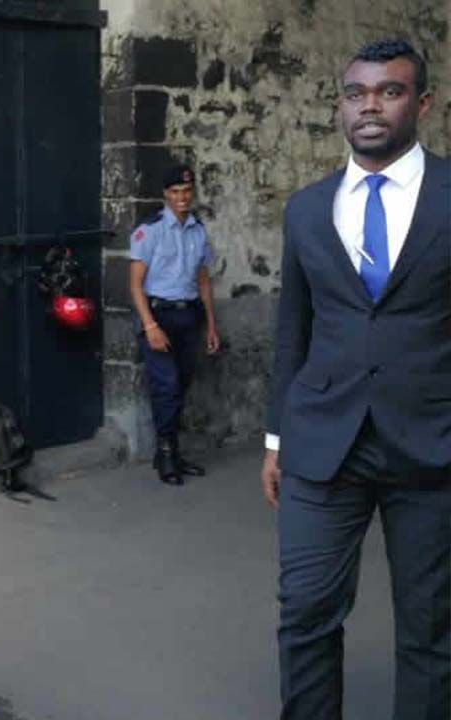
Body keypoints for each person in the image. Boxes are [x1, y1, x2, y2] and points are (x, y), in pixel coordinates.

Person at [264, 39, 449, 719]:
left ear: (421, 104)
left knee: (431, 630)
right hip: (322, 442)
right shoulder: (308, 209)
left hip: (433, 444)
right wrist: (277, 438)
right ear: (341, 106)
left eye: (389, 91)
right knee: (305, 611)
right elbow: (294, 327)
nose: (370, 106)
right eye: (356, 93)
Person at [127, 164, 221, 484]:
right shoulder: (150, 230)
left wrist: (211, 325)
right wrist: (150, 326)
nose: (182, 198)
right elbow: (135, 285)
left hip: (189, 316)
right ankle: (166, 453)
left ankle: (171, 452)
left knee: (181, 385)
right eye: (176, 192)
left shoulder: (198, 230)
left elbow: (203, 281)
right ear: (166, 195)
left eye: (187, 191)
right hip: (159, 316)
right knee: (166, 386)